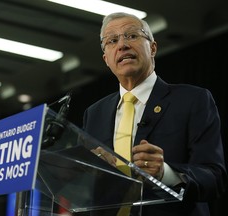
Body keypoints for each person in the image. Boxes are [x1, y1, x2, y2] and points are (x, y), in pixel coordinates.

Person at [82, 12, 227, 216]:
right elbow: (87, 190)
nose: (122, 45)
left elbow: (214, 177)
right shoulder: (95, 113)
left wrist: (165, 173)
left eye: (132, 36)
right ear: (106, 59)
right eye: (112, 41)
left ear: (153, 48)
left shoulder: (192, 100)